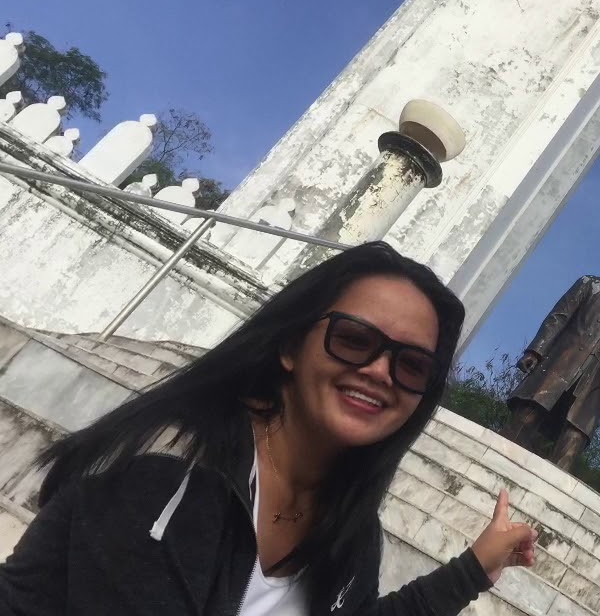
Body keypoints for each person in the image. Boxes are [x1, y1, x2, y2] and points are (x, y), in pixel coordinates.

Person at [0, 241, 537, 615]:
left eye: (412, 365)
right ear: (289, 346)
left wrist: (473, 569)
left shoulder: (348, 530)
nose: (379, 372)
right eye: (353, 338)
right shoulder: (172, 468)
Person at [501, 250, 600, 470]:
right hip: (558, 369)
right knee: (522, 424)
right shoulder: (591, 284)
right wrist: (535, 351)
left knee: (568, 452)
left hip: (592, 392)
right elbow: (559, 317)